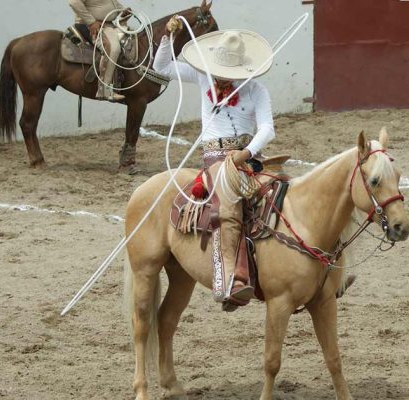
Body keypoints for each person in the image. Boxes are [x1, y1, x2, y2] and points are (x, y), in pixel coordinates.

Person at [154, 17, 276, 310]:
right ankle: (232, 279)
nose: (224, 77)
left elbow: (267, 129)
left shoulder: (256, 90)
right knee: (229, 204)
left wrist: (246, 153)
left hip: (248, 157)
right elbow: (162, 68)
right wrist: (168, 38)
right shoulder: (200, 77)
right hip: (215, 158)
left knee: (285, 192)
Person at [68, 0, 130, 102]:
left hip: (109, 25)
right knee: (113, 48)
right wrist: (91, 21)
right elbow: (74, 2)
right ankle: (104, 90)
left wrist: (122, 11)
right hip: (91, 25)